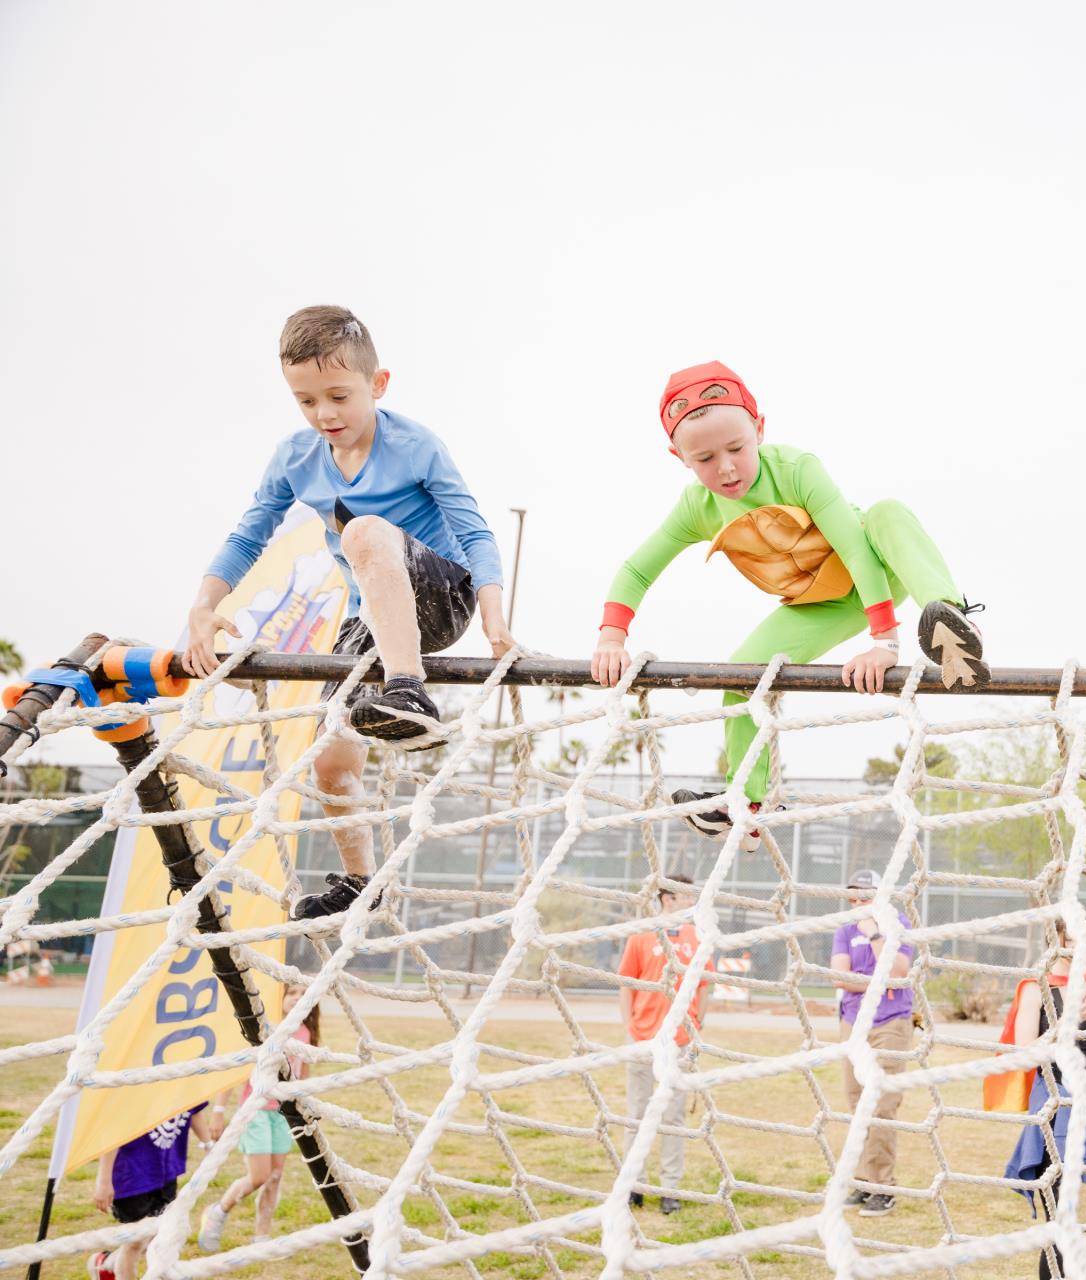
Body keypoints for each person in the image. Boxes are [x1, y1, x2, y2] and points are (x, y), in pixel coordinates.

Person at [180, 306, 513, 919]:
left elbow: (474, 532)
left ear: (378, 384)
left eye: (338, 396)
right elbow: (250, 533)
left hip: (440, 594)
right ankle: (363, 883)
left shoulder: (414, 446)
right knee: (331, 763)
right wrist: (203, 606)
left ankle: (410, 692)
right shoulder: (294, 459)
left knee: (361, 533)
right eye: (306, 402)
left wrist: (493, 616)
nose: (324, 414)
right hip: (375, 616)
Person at [590, 361, 987, 850]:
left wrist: (884, 642)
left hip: (875, 569)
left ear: (759, 429)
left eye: (737, 448)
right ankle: (748, 806)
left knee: (888, 512)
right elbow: (636, 569)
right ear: (679, 457)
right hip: (822, 602)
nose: (727, 468)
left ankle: (952, 625)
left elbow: (854, 548)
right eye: (706, 459)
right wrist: (611, 638)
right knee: (739, 673)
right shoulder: (699, 506)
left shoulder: (797, 469)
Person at [987, 919, 1086, 1279]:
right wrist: (1069, 1022)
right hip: (1055, 1109)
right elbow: (1023, 1053)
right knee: (1063, 1225)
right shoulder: (1036, 988)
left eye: (1085, 939)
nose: (1080, 946)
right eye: (1072, 939)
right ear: (1054, 942)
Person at [617, 875, 714, 1214]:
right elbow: (626, 982)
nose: (692, 900)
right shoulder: (642, 934)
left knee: (673, 1117)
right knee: (637, 1114)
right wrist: (631, 1024)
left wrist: (697, 1023)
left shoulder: (697, 936)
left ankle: (669, 1188)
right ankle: (635, 1185)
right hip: (644, 1038)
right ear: (668, 897)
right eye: (687, 894)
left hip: (680, 1041)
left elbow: (705, 985)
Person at [197, 983, 320, 1251]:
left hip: (284, 1114)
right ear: (280, 997)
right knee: (259, 1176)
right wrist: (218, 1113)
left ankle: (262, 1238)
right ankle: (218, 1211)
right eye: (292, 993)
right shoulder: (264, 1031)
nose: (298, 998)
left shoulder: (304, 1032)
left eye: (303, 994)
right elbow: (235, 1072)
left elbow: (303, 1075)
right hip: (256, 1112)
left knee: (275, 1177)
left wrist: (305, 1109)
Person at [829, 869, 917, 1216]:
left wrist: (876, 934)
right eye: (852, 898)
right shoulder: (844, 930)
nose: (857, 904)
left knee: (882, 1106)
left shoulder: (899, 925)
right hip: (852, 1023)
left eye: (864, 898)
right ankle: (863, 1182)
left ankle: (883, 1187)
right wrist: (875, 980)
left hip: (890, 1023)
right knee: (856, 1104)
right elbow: (840, 977)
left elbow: (897, 971)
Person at [89, 1102, 214, 1279]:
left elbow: (194, 1110)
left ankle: (105, 1263)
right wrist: (103, 1181)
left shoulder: (184, 1081)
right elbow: (114, 1131)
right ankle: (113, 1267)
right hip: (132, 1175)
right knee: (135, 1243)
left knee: (157, 1236)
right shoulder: (138, 1087)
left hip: (165, 1172)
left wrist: (209, 1145)